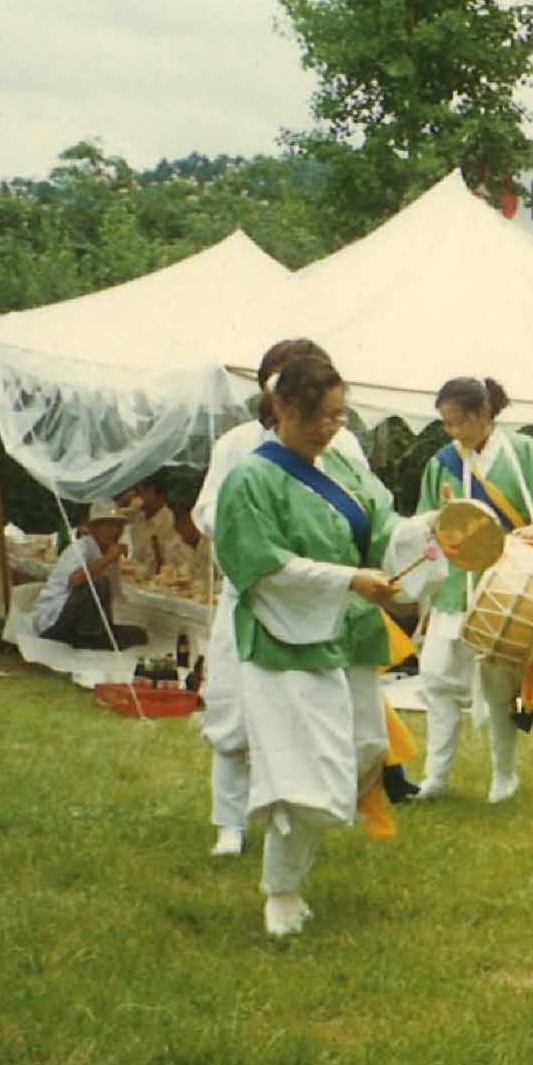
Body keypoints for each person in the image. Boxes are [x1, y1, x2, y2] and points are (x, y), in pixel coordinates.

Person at [213, 355, 432, 937]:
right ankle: (280, 891)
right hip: (285, 638)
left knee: (363, 749)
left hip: (347, 631)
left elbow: (384, 530)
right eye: (319, 417)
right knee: (299, 768)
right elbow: (259, 564)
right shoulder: (251, 479)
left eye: (338, 417)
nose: (330, 429)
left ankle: (291, 876)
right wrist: (347, 579)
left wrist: (435, 528)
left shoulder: (342, 469)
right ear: (283, 409)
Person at [192, 338, 380, 858]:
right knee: (232, 711)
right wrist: (247, 533)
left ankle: (297, 816)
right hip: (252, 594)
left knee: (333, 723)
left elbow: (369, 511)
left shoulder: (340, 447)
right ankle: (229, 822)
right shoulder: (237, 447)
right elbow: (206, 509)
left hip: (324, 598)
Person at [413, 375, 533, 805]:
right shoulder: (442, 462)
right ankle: (436, 777)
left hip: (507, 585)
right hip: (453, 588)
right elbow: (426, 521)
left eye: (459, 423)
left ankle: (504, 776)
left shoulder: (524, 453)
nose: (453, 433)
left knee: (499, 684)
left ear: (484, 413)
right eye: (446, 425)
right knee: (438, 680)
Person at [32, 501, 151, 650]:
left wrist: (108, 627)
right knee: (98, 582)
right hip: (53, 621)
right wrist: (107, 559)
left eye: (117, 526)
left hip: (82, 623)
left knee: (139, 635)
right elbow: (76, 579)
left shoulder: (108, 552)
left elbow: (111, 597)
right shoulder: (82, 547)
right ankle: (88, 639)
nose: (114, 532)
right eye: (107, 526)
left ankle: (93, 637)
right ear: (93, 529)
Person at [121, 477, 176, 575]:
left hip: (154, 578)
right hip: (134, 571)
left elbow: (165, 560)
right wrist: (122, 501)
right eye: (141, 493)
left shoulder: (169, 520)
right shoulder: (138, 512)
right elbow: (111, 518)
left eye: (147, 493)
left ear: (160, 497)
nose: (142, 498)